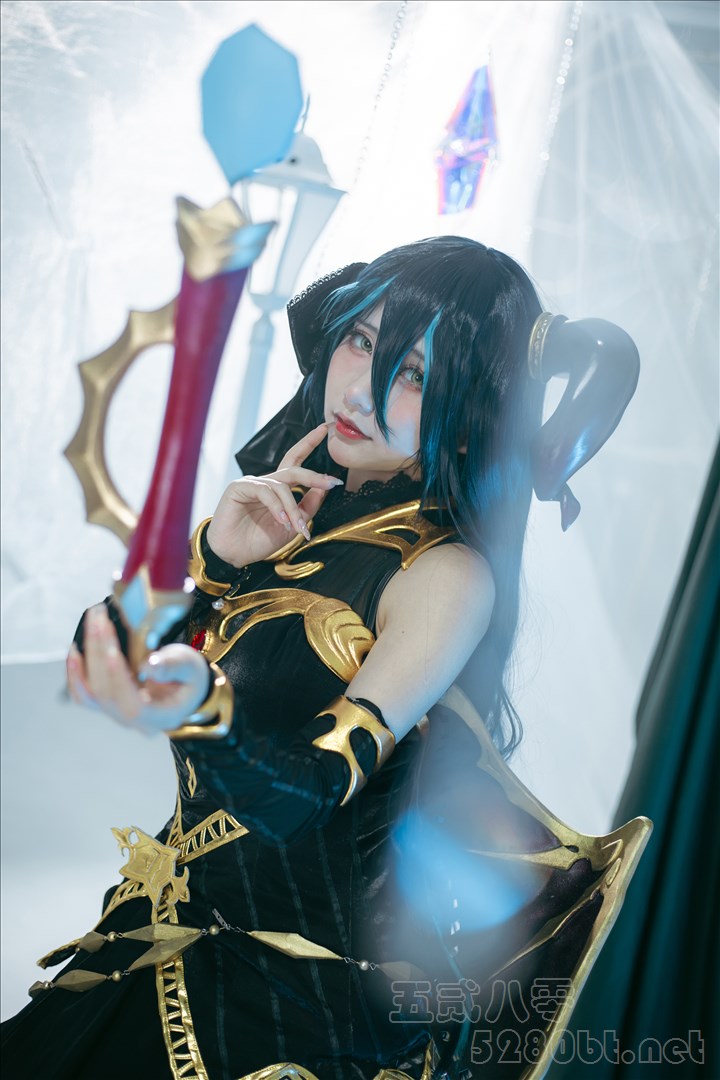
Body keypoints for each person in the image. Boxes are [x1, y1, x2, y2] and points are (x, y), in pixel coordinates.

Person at [1, 236, 644, 1079]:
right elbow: (102, 657)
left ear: (471, 416)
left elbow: (305, 795)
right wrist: (214, 561)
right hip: (155, 941)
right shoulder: (302, 507)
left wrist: (198, 706)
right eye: (361, 341)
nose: (360, 389)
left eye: (412, 374)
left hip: (284, 1015)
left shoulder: (447, 576)